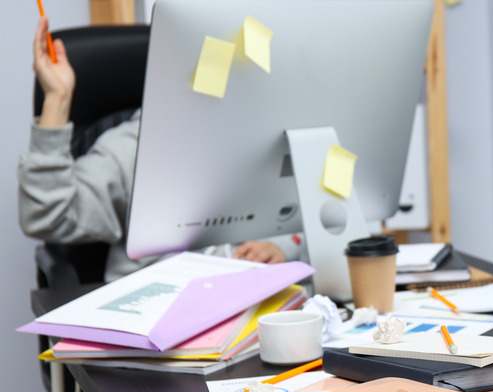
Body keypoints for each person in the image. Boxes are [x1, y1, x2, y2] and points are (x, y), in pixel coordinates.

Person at [18, 16, 300, 282]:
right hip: (161, 303)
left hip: (260, 305)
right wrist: (58, 98)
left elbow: (324, 216)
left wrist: (285, 246)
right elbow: (48, 216)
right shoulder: (139, 145)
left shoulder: (276, 136)